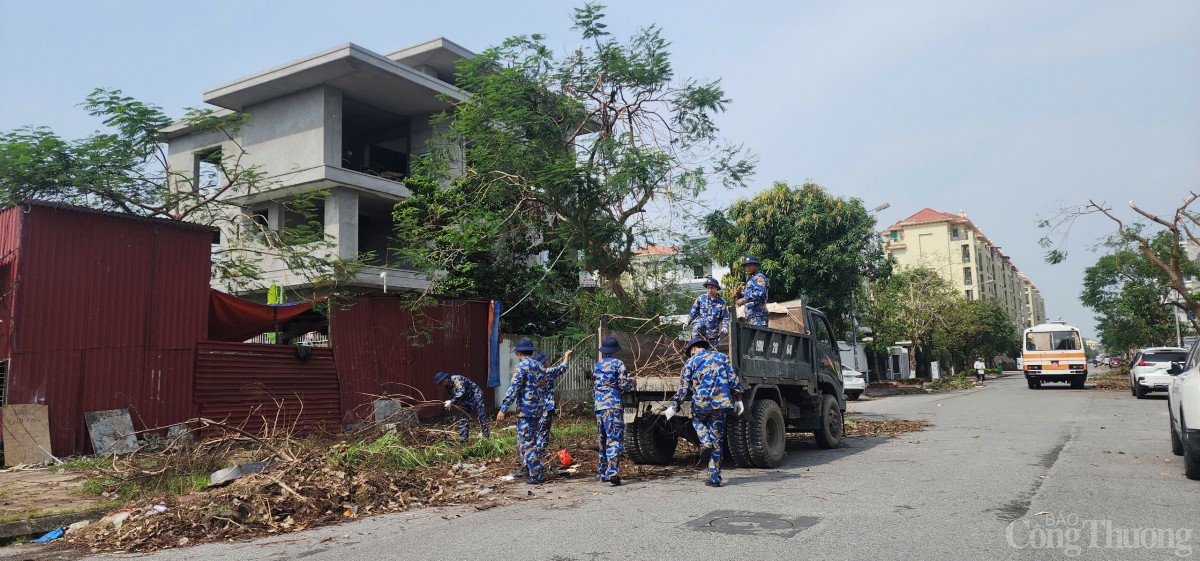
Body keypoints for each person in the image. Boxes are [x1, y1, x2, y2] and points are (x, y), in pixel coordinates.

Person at [665, 336, 744, 487]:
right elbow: (733, 380)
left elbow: (684, 388)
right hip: (721, 405)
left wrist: (675, 404)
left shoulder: (691, 362)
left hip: (701, 404)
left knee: (698, 421)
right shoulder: (722, 357)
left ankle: (705, 443)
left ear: (693, 349)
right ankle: (714, 477)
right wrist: (739, 398)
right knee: (718, 441)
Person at [498, 338, 548, 484]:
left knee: (527, 442)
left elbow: (513, 389)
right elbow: (544, 387)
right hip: (537, 410)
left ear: (519, 353)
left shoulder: (521, 367)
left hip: (525, 411)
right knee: (525, 440)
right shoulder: (539, 366)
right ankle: (528, 468)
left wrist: (503, 409)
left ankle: (536, 473)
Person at [593, 337, 635, 485]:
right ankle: (613, 473)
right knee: (615, 439)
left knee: (603, 440)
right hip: (613, 405)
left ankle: (603, 472)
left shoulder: (597, 365)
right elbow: (623, 385)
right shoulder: (618, 364)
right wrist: (632, 382)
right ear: (616, 351)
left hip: (599, 406)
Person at [534, 351, 573, 455]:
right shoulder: (547, 372)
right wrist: (566, 356)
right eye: (546, 361)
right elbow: (562, 367)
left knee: (536, 431)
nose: (548, 362)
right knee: (543, 432)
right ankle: (540, 455)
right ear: (542, 363)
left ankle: (534, 455)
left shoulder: (532, 374)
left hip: (534, 409)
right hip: (547, 408)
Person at [434, 371, 490, 441]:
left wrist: (451, 401)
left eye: (440, 382)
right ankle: (464, 438)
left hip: (475, 395)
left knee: (481, 415)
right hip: (466, 399)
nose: (440, 385)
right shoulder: (448, 388)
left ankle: (486, 436)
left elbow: (461, 391)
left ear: (444, 379)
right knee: (463, 417)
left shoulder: (457, 379)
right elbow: (454, 396)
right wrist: (451, 404)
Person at [687, 277, 729, 345]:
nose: (709, 290)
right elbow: (693, 312)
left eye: (712, 288)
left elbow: (725, 317)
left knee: (712, 353)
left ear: (716, 289)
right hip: (699, 331)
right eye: (708, 288)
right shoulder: (700, 299)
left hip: (712, 332)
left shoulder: (721, 302)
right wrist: (688, 322)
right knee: (698, 350)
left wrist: (725, 327)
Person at [736, 256, 769, 326]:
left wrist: (744, 299)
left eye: (750, 265)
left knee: (759, 337)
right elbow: (751, 295)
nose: (748, 267)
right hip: (751, 316)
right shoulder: (751, 279)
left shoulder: (759, 278)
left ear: (756, 266)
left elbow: (760, 293)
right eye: (746, 266)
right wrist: (740, 295)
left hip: (758, 316)